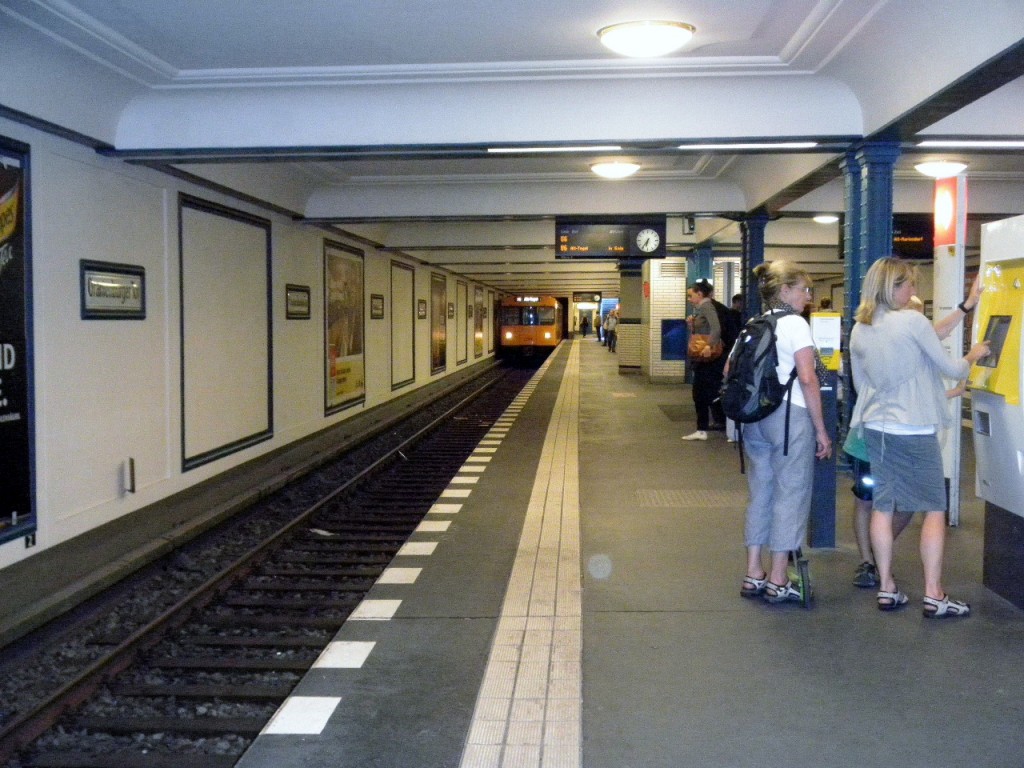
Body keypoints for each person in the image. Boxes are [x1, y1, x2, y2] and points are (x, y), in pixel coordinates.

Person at [849, 257, 989, 618]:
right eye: (909, 285)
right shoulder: (911, 321)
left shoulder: (861, 328)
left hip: (877, 427)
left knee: (883, 505)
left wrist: (965, 306)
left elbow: (861, 384)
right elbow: (953, 368)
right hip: (915, 429)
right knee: (934, 508)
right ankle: (934, 593)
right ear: (893, 287)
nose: (914, 293)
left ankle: (886, 587)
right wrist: (973, 355)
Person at [738, 261, 832, 603]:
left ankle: (754, 572)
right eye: (804, 289)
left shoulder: (752, 324)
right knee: (790, 492)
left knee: (761, 492)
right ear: (784, 291)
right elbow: (808, 378)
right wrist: (822, 430)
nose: (809, 296)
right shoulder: (794, 324)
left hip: (755, 418)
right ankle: (779, 578)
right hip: (789, 417)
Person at [682, 280, 725, 440]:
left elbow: (716, 328)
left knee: (699, 392)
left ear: (699, 294)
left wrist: (708, 346)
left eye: (690, 295)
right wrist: (692, 324)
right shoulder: (701, 308)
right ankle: (712, 425)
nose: (689, 298)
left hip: (707, 357)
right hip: (707, 357)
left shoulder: (706, 306)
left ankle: (702, 429)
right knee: (708, 390)